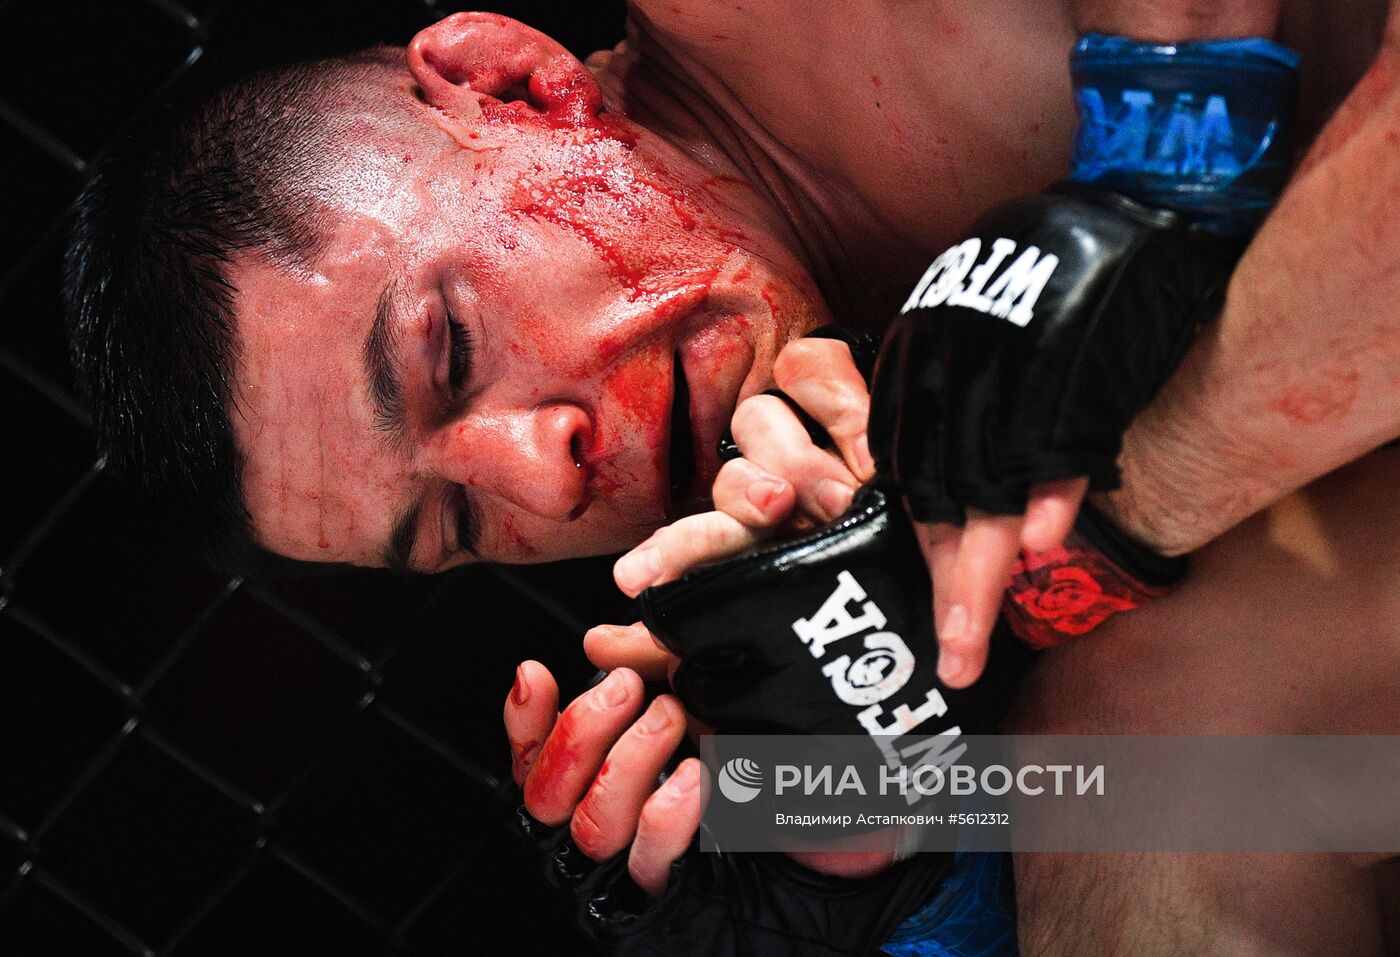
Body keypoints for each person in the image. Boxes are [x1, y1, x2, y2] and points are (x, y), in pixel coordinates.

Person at [63, 0, 1399, 952]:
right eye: (460, 520)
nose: (545, 478)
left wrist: (1165, 144)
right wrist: (907, 874)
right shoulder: (830, 542)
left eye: (449, 346)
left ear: (509, 85)